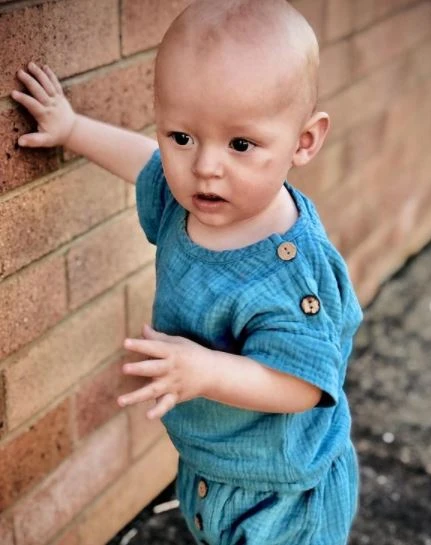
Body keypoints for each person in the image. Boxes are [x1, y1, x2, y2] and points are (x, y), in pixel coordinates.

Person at [11, 1, 363, 543]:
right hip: (211, 464)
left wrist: (206, 372)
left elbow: (303, 385)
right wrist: (73, 128)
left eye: (240, 144)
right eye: (182, 137)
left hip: (283, 496)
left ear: (304, 141)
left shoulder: (293, 274)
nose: (205, 167)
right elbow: (143, 161)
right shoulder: (187, 203)